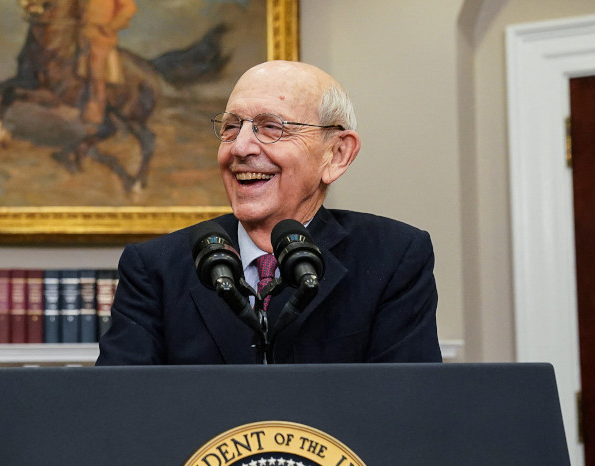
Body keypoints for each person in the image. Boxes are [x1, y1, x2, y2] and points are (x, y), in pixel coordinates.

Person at [97, 60, 442, 365]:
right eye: (232, 127)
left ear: (336, 154)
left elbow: (406, 408)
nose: (241, 147)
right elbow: (122, 410)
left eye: (271, 127)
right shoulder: (155, 267)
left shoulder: (392, 256)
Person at [78, 0, 137, 125]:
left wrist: (111, 27)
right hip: (82, 33)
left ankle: (96, 111)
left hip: (101, 35)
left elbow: (129, 8)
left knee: (96, 71)